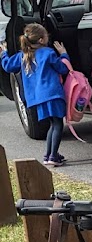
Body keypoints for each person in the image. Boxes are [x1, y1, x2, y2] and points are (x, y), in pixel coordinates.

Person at [0, 24, 72, 166]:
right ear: (41, 40)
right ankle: (52, 156)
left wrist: (4, 53)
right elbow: (63, 68)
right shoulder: (48, 53)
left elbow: (8, 66)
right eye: (46, 36)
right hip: (52, 94)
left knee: (52, 124)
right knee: (57, 124)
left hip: (37, 98)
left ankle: (49, 155)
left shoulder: (23, 56)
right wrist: (63, 54)